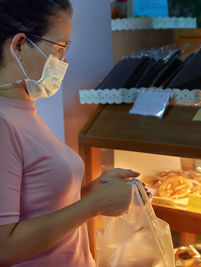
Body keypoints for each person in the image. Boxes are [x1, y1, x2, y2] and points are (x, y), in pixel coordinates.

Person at [0, 1, 137, 266]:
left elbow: (38, 208)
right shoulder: (4, 123)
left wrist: (88, 193)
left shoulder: (24, 110)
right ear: (19, 45)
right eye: (59, 48)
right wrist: (92, 205)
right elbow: (4, 248)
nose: (62, 61)